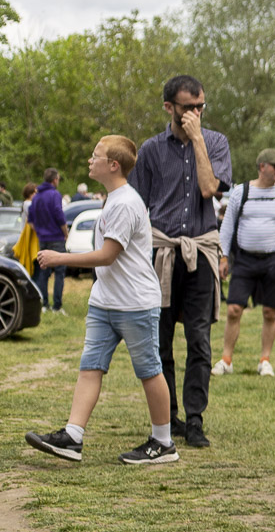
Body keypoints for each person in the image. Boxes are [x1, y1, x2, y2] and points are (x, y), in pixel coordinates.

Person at [25, 136, 180, 466]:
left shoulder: (125, 202)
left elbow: (109, 256)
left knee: (150, 371)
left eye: (95, 156)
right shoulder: (113, 199)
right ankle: (72, 437)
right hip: (104, 302)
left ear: (114, 165)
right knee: (89, 367)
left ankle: (163, 442)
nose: (89, 161)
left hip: (135, 303)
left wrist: (60, 258)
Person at [132, 74, 231, 450]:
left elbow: (210, 188)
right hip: (161, 252)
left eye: (200, 106)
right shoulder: (152, 150)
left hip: (201, 251)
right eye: (188, 107)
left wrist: (199, 138)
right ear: (169, 107)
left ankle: (195, 419)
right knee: (161, 340)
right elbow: (137, 207)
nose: (195, 113)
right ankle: (167, 415)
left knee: (199, 340)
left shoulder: (216, 142)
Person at [214, 148, 275, 379]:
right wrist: (223, 256)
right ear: (262, 166)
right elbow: (227, 227)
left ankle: (265, 360)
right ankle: (226, 359)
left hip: (274, 259)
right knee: (234, 309)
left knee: (269, 312)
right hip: (244, 259)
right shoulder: (240, 192)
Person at [27, 169, 68, 314]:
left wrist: (38, 230)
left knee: (43, 273)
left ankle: (44, 304)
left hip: (42, 239)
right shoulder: (54, 194)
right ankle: (57, 306)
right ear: (55, 180)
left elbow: (30, 218)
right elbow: (59, 214)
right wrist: (65, 232)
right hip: (56, 238)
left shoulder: (37, 197)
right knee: (59, 272)